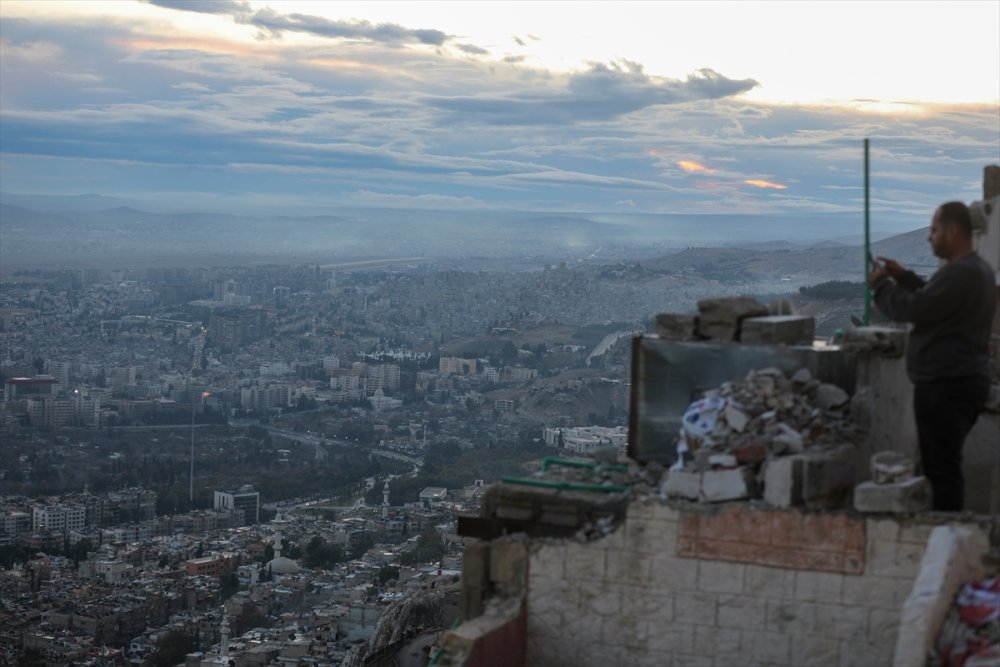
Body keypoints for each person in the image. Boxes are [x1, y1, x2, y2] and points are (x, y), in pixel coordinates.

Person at [868, 201, 996, 511]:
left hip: (945, 386)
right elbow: (936, 299)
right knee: (945, 465)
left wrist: (881, 286)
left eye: (934, 229)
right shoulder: (976, 270)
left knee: (941, 470)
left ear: (953, 231)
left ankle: (945, 537)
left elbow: (914, 309)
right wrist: (905, 277)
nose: (929, 236)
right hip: (963, 381)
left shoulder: (960, 273)